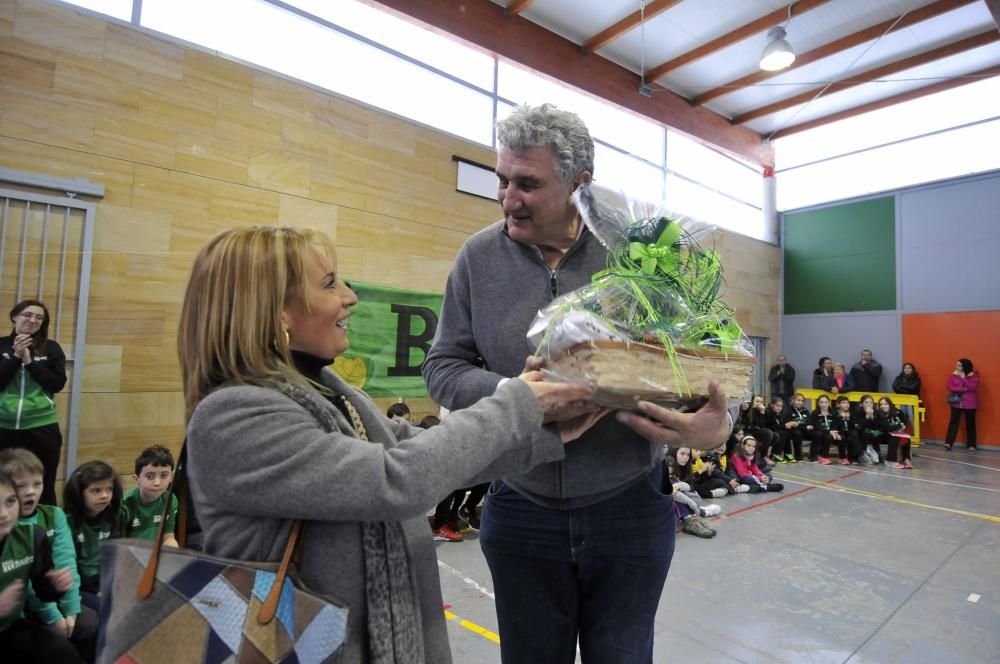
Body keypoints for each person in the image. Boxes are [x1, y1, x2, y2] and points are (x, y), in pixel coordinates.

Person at [178, 225, 604, 663]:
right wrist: (518, 402)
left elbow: (425, 449)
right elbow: (394, 478)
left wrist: (548, 431)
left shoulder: (328, 391)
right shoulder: (233, 417)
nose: (349, 296)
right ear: (277, 313)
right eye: (329, 284)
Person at [422, 103, 731, 662]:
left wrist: (716, 426)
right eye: (502, 179)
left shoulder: (642, 256)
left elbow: (702, 369)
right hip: (519, 508)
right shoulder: (478, 257)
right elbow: (442, 368)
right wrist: (516, 398)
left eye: (528, 184)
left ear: (579, 182)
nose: (507, 197)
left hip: (630, 510)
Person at [0, 449, 97, 661]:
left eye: (9, 502)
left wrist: (56, 586)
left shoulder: (32, 535)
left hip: (12, 627)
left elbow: (43, 589)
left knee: (63, 653)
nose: (4, 514)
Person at [0, 300, 67, 506]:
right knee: (3, 482)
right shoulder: (1, 345)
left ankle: (46, 533)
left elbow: (56, 383)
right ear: (14, 316)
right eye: (27, 315)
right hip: (3, 425)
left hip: (41, 426)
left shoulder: (51, 348)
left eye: (39, 317)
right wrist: (15, 358)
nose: (33, 320)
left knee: (44, 484)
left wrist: (29, 363)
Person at [62, 460, 123, 611]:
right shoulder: (67, 522)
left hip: (104, 580)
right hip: (80, 585)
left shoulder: (113, 517)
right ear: (79, 493)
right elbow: (71, 567)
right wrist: (96, 591)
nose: (104, 496)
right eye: (96, 491)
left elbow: (114, 557)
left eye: (109, 489)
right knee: (109, 609)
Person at [122, 446, 179, 547]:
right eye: (150, 476)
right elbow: (119, 545)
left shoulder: (170, 499)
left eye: (164, 475)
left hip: (155, 556)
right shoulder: (125, 503)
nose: (157, 483)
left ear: (171, 477)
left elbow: (169, 537)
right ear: (137, 479)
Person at [944, 358, 979, 451]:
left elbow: (972, 387)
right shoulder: (953, 375)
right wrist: (963, 389)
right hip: (956, 403)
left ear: (965, 366)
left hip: (970, 404)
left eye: (959, 365)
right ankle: (948, 443)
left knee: (970, 424)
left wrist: (963, 378)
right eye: (957, 365)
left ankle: (972, 445)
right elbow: (950, 387)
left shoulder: (974, 375)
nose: (957, 367)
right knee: (953, 423)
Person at [879, 398, 912, 469]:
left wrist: (903, 426)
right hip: (882, 435)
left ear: (890, 404)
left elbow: (904, 420)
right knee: (894, 437)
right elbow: (886, 427)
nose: (883, 406)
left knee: (906, 438)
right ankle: (890, 460)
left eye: (885, 404)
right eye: (881, 404)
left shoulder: (897, 412)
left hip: (896, 433)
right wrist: (899, 426)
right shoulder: (880, 414)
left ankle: (906, 459)